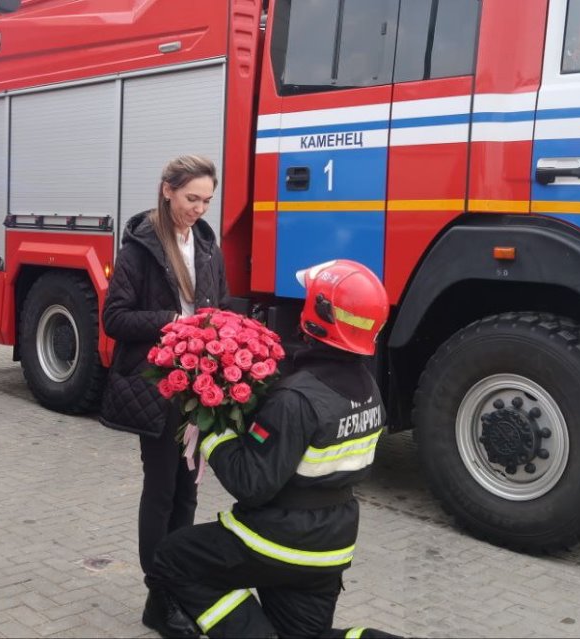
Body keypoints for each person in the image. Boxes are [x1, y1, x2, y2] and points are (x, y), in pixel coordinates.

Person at [149, 259, 399, 638]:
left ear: (314, 316)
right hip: (331, 546)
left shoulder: (296, 398)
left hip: (279, 540)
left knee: (173, 557)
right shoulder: (369, 390)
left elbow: (252, 483)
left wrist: (210, 424)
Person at [99, 154, 229, 636]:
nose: (199, 209)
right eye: (192, 198)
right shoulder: (140, 247)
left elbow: (222, 306)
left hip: (199, 390)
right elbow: (115, 318)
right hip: (158, 387)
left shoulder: (208, 246)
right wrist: (172, 323)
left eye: (207, 201)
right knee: (160, 491)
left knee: (188, 494)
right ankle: (159, 598)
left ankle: (180, 586)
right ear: (168, 189)